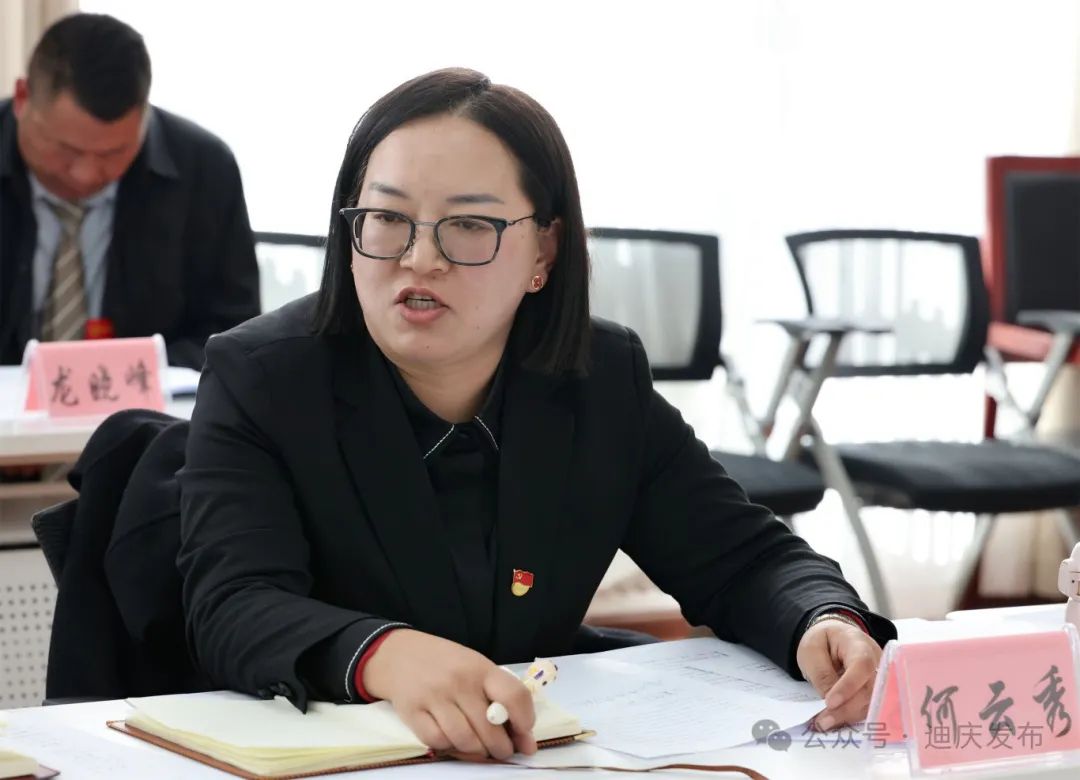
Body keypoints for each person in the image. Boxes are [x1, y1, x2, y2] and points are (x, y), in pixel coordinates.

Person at [178, 67, 896, 760]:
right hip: (338, 749)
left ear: (544, 250)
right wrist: (382, 656)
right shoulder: (263, 376)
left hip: (531, 746)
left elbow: (740, 558)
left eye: (468, 224)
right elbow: (231, 604)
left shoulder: (598, 376)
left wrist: (819, 618)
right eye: (388, 218)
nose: (420, 258)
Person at [0, 13, 260, 370]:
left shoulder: (204, 169)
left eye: (114, 153)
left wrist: (135, 372)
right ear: (22, 98)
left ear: (144, 118)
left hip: (153, 402)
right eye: (67, 150)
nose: (86, 175)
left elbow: (234, 334)